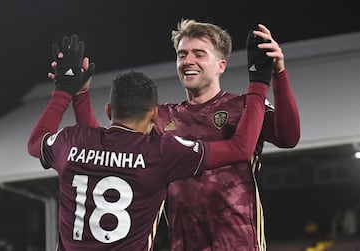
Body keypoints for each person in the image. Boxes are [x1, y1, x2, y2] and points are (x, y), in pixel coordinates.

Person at [28, 34, 271, 250]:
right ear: (154, 115)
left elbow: (36, 142)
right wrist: (260, 80)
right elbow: (240, 148)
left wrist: (67, 90)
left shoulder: (74, 141)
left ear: (109, 110)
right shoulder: (160, 153)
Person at [154, 19, 301, 251]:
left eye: (199, 54)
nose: (188, 61)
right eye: (182, 55)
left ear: (221, 65)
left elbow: (288, 137)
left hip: (240, 245)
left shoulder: (245, 105)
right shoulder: (161, 117)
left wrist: (278, 73)